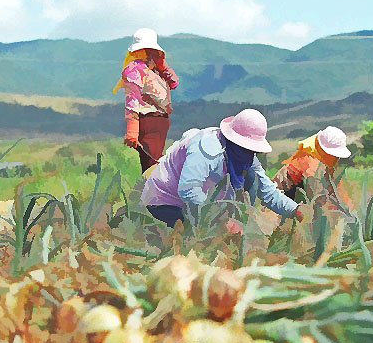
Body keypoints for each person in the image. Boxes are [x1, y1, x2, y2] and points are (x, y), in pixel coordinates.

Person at [141, 108, 306, 227]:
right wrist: (220, 222)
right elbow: (188, 190)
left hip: (201, 206)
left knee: (252, 178)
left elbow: (267, 191)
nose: (250, 153)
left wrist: (295, 210)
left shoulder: (246, 157)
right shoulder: (207, 148)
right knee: (202, 244)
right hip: (166, 202)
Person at [113, 28, 179, 173]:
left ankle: (153, 186)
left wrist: (162, 65)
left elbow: (174, 83)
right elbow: (132, 101)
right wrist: (132, 130)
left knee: (154, 163)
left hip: (160, 121)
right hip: (148, 120)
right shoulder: (134, 70)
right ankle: (151, 187)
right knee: (151, 166)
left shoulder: (155, 69)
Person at [273, 126, 352, 206]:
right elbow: (318, 197)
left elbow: (335, 186)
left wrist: (348, 206)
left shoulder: (325, 161)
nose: (336, 159)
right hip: (279, 197)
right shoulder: (310, 162)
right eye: (334, 155)